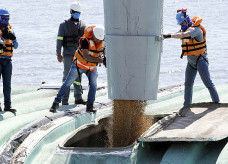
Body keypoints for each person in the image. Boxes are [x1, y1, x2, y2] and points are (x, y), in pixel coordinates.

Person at [162, 8, 220, 107]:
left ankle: (217, 103)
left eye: (182, 23)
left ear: (187, 20)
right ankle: (186, 106)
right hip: (191, 63)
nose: (181, 25)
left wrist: (168, 36)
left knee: (208, 83)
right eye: (180, 24)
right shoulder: (184, 28)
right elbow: (178, 33)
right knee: (188, 85)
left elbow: (183, 35)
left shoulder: (196, 30)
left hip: (201, 61)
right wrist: (163, 36)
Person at [50, 25, 106, 113]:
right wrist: (100, 60)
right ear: (93, 35)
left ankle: (90, 106)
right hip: (79, 66)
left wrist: (105, 59)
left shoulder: (103, 41)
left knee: (94, 85)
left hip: (91, 68)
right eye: (96, 38)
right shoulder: (85, 41)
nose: (97, 40)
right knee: (67, 83)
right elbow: (86, 56)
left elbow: (104, 52)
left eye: (100, 39)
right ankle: (56, 103)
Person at [56, 1, 86, 105]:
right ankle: (65, 100)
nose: (77, 14)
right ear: (71, 12)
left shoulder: (83, 26)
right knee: (67, 77)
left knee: (78, 77)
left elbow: (86, 42)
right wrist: (58, 53)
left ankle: (78, 98)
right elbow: (59, 40)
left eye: (78, 12)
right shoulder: (63, 25)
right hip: (68, 54)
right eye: (75, 12)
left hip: (80, 56)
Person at [0, 9, 18, 113]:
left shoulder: (10, 30)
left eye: (8, 19)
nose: (6, 21)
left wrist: (13, 38)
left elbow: (16, 46)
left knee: (7, 84)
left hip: (7, 61)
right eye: (4, 19)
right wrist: (2, 37)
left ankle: (8, 105)